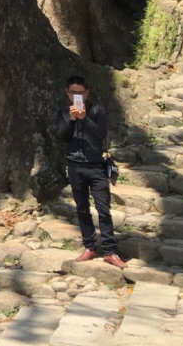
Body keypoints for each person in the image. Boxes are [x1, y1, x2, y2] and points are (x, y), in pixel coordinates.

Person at [58, 75, 126, 268]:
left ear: (87, 93)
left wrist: (84, 118)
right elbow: (62, 136)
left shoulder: (97, 111)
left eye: (81, 93)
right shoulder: (64, 112)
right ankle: (89, 246)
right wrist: (72, 120)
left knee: (103, 209)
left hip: (96, 166)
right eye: (73, 93)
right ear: (67, 93)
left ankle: (110, 250)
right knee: (81, 208)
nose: (77, 96)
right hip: (74, 165)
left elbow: (100, 134)